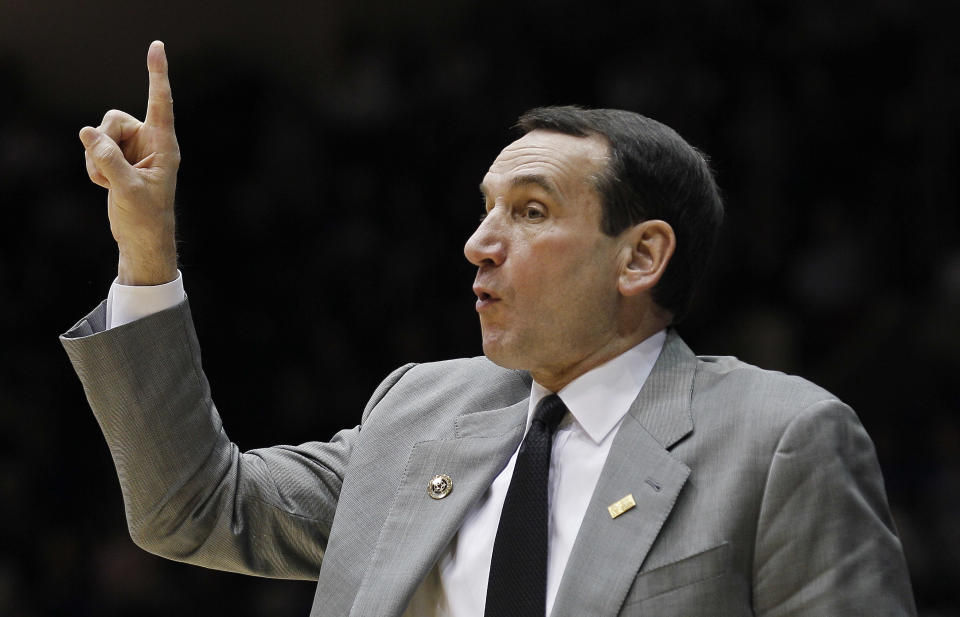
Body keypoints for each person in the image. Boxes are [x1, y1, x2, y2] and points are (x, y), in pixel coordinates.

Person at [62, 41, 916, 617]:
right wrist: (147, 252)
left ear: (640, 256)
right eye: (486, 212)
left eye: (531, 210)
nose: (479, 242)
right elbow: (194, 507)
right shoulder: (420, 410)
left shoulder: (780, 439)